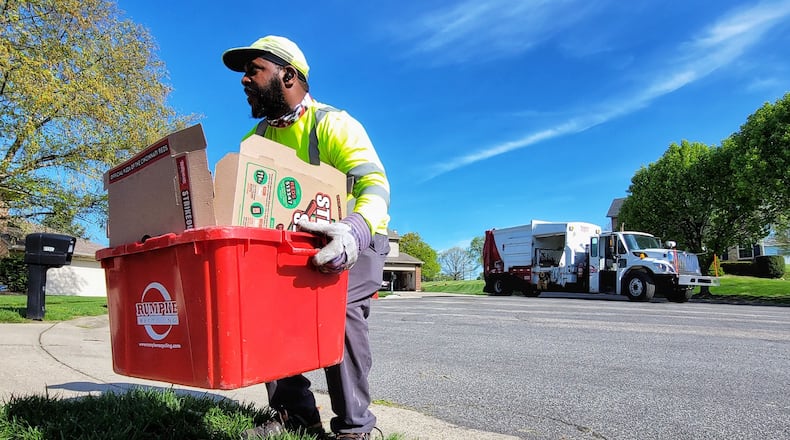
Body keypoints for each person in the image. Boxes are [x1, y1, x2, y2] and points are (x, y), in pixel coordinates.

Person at [222, 35, 390, 440]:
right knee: (261, 308)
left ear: (288, 75)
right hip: (292, 244)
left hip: (358, 239)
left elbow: (375, 184)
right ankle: (295, 415)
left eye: (254, 70)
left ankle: (355, 429)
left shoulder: (332, 123)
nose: (244, 80)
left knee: (338, 311)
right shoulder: (254, 141)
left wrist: (355, 228)